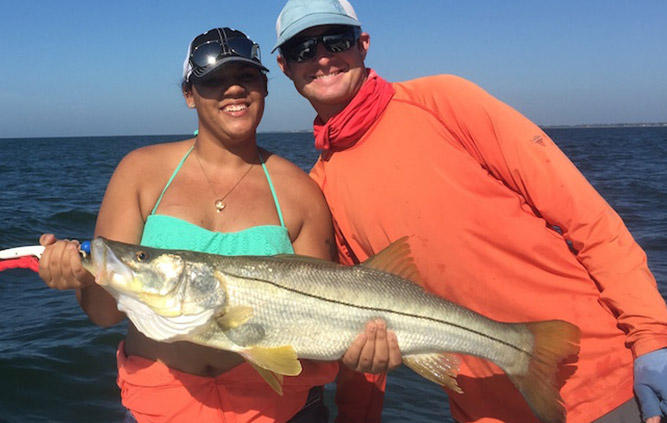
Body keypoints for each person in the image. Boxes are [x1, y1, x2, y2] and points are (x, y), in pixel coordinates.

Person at [272, 1, 667, 422]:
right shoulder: (320, 189)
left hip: (605, 383)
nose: (323, 58)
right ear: (285, 67)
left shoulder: (444, 100)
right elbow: (361, 326)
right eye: (303, 50)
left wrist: (653, 340)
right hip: (482, 410)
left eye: (336, 40)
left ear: (363, 44)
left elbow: (588, 219)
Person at [38, 27, 341, 423]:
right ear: (189, 95)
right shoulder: (140, 172)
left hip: (281, 410)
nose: (233, 90)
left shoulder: (301, 191)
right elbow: (106, 314)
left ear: (265, 88)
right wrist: (79, 279)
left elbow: (326, 322)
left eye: (247, 77)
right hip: (159, 409)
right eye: (214, 81)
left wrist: (369, 345)